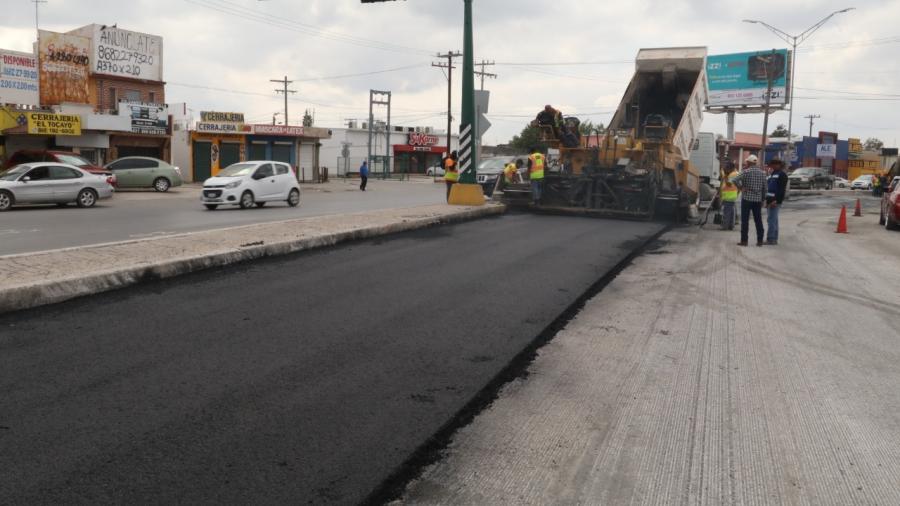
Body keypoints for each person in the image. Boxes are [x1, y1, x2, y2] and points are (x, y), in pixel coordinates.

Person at [730, 154, 766, 246]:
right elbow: (765, 188)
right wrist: (763, 200)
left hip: (747, 199)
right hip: (757, 200)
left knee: (745, 220)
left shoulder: (746, 172)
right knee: (758, 220)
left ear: (749, 162)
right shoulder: (762, 173)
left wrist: (741, 188)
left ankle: (744, 241)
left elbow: (734, 180)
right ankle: (760, 241)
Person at [765, 159, 789, 245]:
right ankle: (773, 238)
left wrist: (776, 201)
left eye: (773, 165)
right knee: (773, 220)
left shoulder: (782, 175)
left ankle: (771, 239)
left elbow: (781, 190)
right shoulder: (773, 173)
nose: (771, 166)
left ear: (778, 165)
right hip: (770, 200)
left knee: (772, 220)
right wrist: (767, 201)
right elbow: (770, 188)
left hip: (775, 201)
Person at [720, 160, 739, 230]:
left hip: (729, 196)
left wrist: (724, 176)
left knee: (727, 212)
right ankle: (731, 226)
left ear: (730, 168)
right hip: (731, 196)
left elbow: (729, 183)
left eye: (727, 168)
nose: (726, 169)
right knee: (731, 212)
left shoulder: (733, 174)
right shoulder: (735, 173)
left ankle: (725, 226)